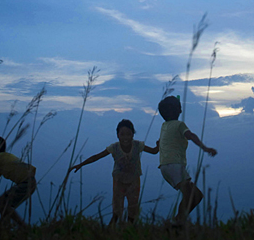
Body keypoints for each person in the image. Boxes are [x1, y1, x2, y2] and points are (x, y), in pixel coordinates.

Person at [69, 119, 159, 224]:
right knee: (117, 210)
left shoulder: (138, 145)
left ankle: (128, 230)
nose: (125, 137)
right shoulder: (114, 147)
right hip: (119, 182)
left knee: (133, 209)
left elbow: (153, 151)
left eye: (128, 134)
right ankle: (112, 231)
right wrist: (81, 164)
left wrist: (159, 145)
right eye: (122, 134)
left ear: (133, 135)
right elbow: (97, 157)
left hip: (134, 182)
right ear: (118, 135)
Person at [157, 96, 217, 226]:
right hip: (174, 165)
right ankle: (177, 222)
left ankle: (178, 220)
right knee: (191, 196)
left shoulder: (164, 125)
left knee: (196, 195)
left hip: (165, 166)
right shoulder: (179, 124)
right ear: (177, 110)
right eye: (179, 107)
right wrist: (206, 148)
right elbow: (190, 135)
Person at [0, 136, 36, 229]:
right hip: (29, 182)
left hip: (26, 183)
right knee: (5, 205)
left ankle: (23, 227)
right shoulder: (3, 158)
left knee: (1, 202)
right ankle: (4, 227)